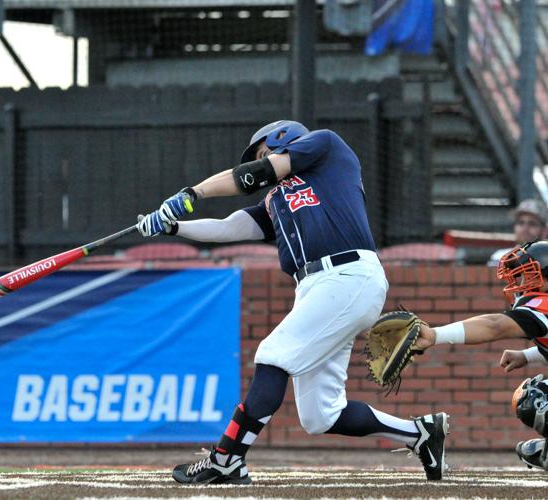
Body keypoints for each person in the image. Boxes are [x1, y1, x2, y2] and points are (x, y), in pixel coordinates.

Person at [136, 120, 449, 485]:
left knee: (272, 355)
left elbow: (260, 172)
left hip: (347, 273)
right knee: (321, 415)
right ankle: (421, 434)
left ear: (281, 138)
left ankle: (227, 458)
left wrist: (193, 193)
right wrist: (174, 226)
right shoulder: (276, 198)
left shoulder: (325, 147)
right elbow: (231, 227)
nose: (262, 160)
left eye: (263, 151)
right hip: (317, 288)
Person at [414, 239, 548, 470]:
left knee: (533, 399)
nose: (521, 283)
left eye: (527, 275)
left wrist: (435, 335)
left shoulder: (542, 304)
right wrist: (526, 356)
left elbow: (495, 325)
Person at [488, 199, 547, 266]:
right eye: (521, 223)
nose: (525, 228)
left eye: (532, 224)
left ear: (544, 230)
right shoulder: (499, 257)